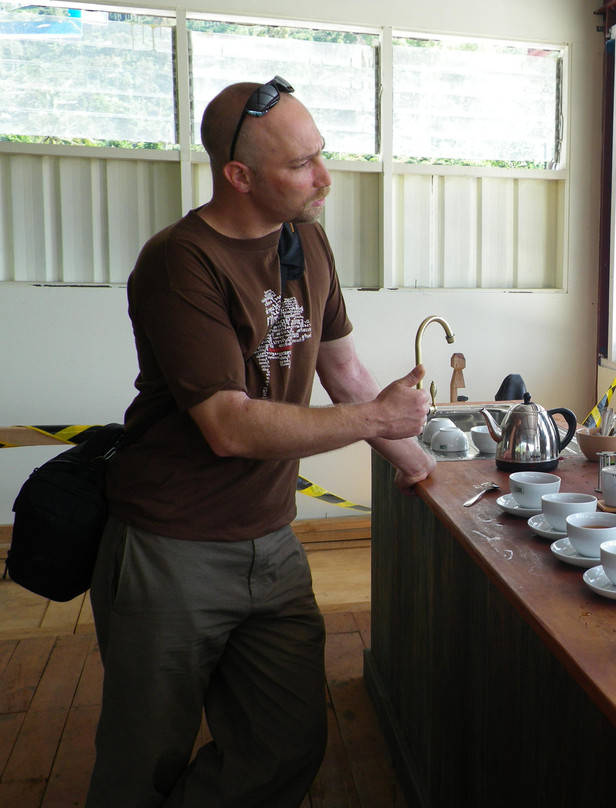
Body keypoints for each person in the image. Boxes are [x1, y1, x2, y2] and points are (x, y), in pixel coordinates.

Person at [87, 77, 436, 807]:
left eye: (322, 155)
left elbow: (344, 371)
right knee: (141, 760)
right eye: (302, 165)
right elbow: (229, 425)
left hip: (272, 541)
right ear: (239, 176)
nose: (325, 179)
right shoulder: (179, 261)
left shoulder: (305, 240)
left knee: (286, 743)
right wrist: (380, 421)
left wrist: (423, 466)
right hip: (171, 546)